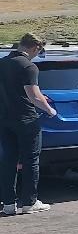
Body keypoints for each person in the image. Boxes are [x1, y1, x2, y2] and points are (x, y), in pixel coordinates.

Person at [1, 32, 58, 215]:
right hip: (26, 119)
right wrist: (50, 110)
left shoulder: (2, 63)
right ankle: (29, 202)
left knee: (8, 160)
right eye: (39, 51)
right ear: (35, 47)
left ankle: (8, 203)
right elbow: (34, 96)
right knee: (30, 160)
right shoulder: (28, 67)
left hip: (5, 119)